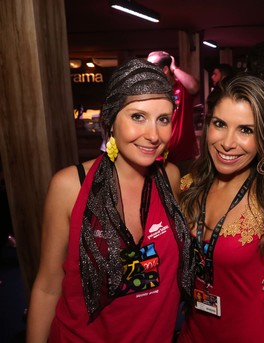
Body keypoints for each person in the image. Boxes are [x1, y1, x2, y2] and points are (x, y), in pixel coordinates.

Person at [26, 58, 194, 342]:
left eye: (163, 119)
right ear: (111, 120)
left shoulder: (171, 178)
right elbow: (48, 286)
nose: (153, 135)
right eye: (138, 116)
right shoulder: (70, 186)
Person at [177, 74, 264, 342]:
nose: (228, 143)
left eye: (246, 130)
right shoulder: (186, 187)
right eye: (220, 124)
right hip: (192, 331)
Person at [147, 51, 200, 176]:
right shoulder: (151, 91)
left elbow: (194, 86)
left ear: (165, 69)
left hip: (184, 157)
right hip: (157, 157)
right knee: (161, 193)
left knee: (186, 191)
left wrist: (174, 68)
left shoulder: (181, 87)